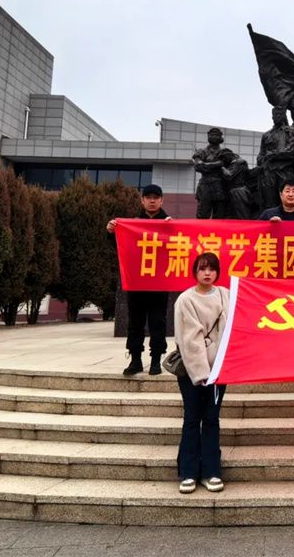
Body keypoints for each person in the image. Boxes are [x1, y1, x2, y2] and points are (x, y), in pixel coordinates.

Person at [173, 252, 230, 494]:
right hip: (191, 372)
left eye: (212, 269)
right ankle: (188, 472)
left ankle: (211, 471)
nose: (207, 273)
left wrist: (219, 368)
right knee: (192, 418)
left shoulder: (226, 295)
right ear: (195, 272)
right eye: (202, 268)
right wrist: (201, 373)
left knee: (211, 419)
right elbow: (189, 340)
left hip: (218, 371)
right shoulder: (185, 300)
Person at [106, 184, 171, 375]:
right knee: (135, 323)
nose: (152, 201)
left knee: (158, 322)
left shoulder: (169, 223)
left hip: (159, 283)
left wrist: (173, 229)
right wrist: (111, 232)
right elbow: (120, 247)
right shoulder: (132, 224)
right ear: (142, 201)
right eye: (148, 197)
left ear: (161, 200)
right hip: (136, 282)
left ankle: (156, 360)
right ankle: (135, 360)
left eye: (156, 197)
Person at [192, 128, 228, 219]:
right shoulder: (201, 152)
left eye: (216, 135)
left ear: (220, 137)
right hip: (205, 185)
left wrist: (206, 165)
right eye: (212, 135)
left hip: (220, 186)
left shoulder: (225, 152)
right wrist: (217, 164)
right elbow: (198, 166)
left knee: (220, 216)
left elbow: (228, 166)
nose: (214, 137)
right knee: (202, 214)